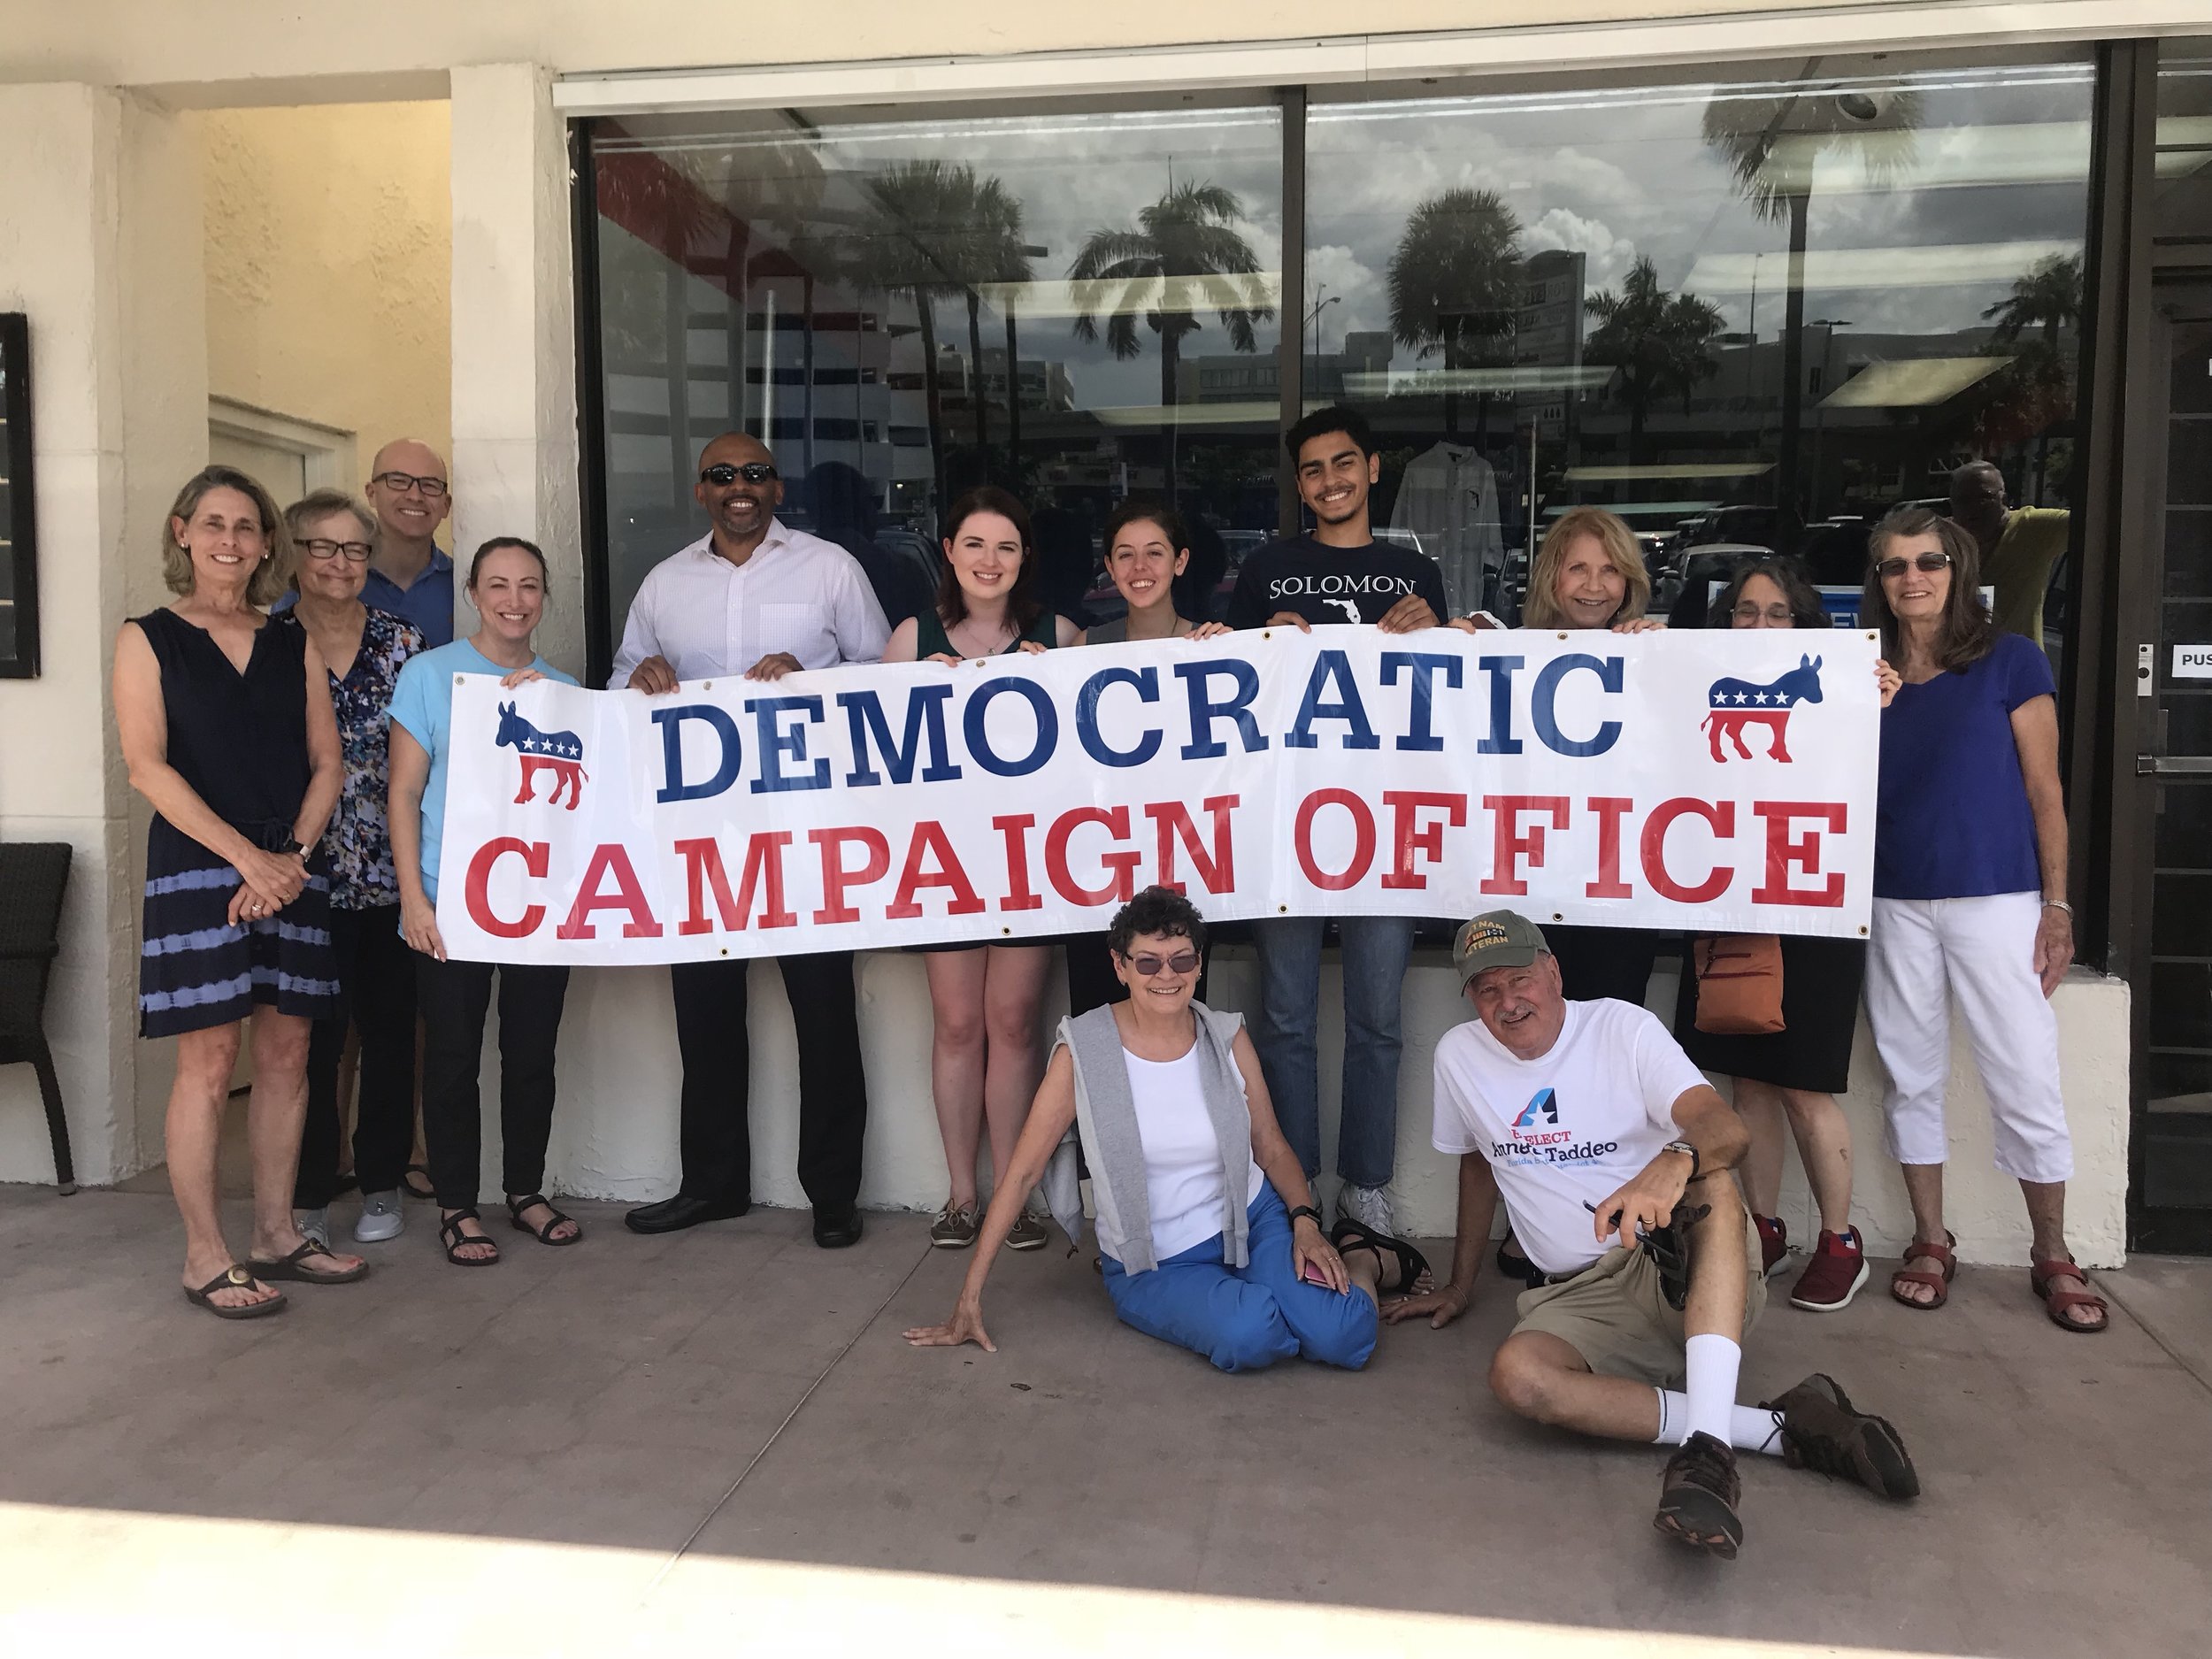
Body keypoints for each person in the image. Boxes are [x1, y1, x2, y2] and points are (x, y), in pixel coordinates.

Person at [1389, 911, 1919, 1559]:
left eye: (1520, 980)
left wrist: (1676, 1160)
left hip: (1678, 1266)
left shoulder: (1620, 1027)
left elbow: (1725, 1128)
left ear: (1553, 971)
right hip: (1576, 1297)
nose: (1508, 1002)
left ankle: (1704, 1464)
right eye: (1487, 990)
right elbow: (1477, 1162)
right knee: (1518, 1377)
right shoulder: (1459, 1055)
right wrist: (1461, 1282)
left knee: (1714, 1180)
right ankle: (1778, 1428)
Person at [904, 887, 1427, 1371]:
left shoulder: (1225, 1036)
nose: (1166, 975)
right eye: (1148, 961)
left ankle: (1362, 1261)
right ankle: (1278, 1297)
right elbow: (1021, 1173)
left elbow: (1268, 1145)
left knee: (1343, 1338)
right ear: (1120, 965)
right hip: (1153, 1261)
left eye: (1182, 959)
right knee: (1250, 1335)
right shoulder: (1083, 1051)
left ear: (1199, 964)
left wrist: (1306, 1222)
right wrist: (969, 1296)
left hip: (1251, 1222)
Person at [612, 432, 890, 1248]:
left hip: (808, 834)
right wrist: (640, 679)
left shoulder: (829, 568)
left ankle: (834, 1195)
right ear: (701, 490)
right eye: (723, 475)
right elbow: (623, 678)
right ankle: (713, 1183)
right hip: (701, 841)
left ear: (778, 488)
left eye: (757, 473)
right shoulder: (665, 583)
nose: (741, 486)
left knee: (825, 1016)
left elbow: (883, 677)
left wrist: (812, 680)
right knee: (703, 1017)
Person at [113, 465, 366, 1317]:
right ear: (183, 531)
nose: (231, 540)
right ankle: (203, 1255)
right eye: (214, 523)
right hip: (197, 868)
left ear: (267, 544)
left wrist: (290, 855)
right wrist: (246, 861)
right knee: (211, 1060)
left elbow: (328, 760)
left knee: (289, 1055)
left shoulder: (290, 638)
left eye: (247, 526)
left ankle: (275, 1235)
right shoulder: (147, 637)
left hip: (292, 863)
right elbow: (147, 765)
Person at [1859, 507, 2103, 1332]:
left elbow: (2047, 793)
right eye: (1895, 566)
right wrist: (1859, 708)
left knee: (2024, 1070)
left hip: (1997, 894)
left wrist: (2057, 902)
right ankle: (1932, 1238)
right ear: (1880, 581)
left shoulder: (2010, 659)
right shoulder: (1861, 669)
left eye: (1929, 561)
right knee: (1909, 1072)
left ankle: (2052, 1249)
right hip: (1891, 896)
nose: (1913, 577)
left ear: (1958, 569)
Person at [1225, 404, 1448, 1236]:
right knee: (1283, 1014)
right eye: (1313, 470)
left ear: (1373, 468)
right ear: (1299, 485)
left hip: (1384, 824)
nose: (1330, 481)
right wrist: (1257, 641)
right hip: (1287, 825)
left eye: (1343, 463)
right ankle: (1295, 1188)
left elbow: (1442, 698)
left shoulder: (1413, 572)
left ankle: (1366, 1185)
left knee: (1378, 1018)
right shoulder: (1266, 569)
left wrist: (1439, 633)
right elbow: (1228, 695)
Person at [1672, 557, 1900, 1311]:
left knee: (1804, 1085)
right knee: (1749, 1084)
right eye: (1745, 610)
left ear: (1805, 625)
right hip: (1733, 898)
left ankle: (1840, 1241)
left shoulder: (1850, 693)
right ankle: (1764, 1227)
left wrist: (1876, 704)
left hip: (1814, 906)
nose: (1759, 624)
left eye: (1777, 612)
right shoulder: (1699, 681)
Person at [884, 487, 1079, 1250]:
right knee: (959, 1023)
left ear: (1024, 556)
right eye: (974, 544)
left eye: (1005, 546)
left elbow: (1105, 759)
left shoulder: (1062, 636)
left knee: (1013, 1023)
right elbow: (875, 765)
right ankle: (963, 1194)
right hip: (946, 860)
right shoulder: (910, 638)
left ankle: (1017, 1197)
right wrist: (913, 693)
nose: (989, 561)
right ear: (950, 552)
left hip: (1032, 859)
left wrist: (1054, 688)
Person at [388, 537, 581, 1266]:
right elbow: (403, 792)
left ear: (543, 596)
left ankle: (525, 1191)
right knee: (451, 1057)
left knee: (532, 1052)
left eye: (529, 584)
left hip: (535, 907)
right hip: (448, 901)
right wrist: (414, 898)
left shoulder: (560, 689)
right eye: (498, 583)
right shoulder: (431, 675)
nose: (514, 599)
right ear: (472, 592)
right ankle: (458, 1204)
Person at [282, 489, 424, 1249]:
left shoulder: (406, 643)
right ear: (294, 554)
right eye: (324, 547)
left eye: (356, 550)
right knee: (309, 1043)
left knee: (391, 1033)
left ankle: (380, 1183)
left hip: (391, 874)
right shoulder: (267, 641)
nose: (342, 564)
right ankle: (305, 1191)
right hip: (301, 878)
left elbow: (439, 750)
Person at [1066, 497, 1230, 1019]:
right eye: (1126, 555)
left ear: (1180, 561)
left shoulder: (1215, 648)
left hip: (1186, 865)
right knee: (1098, 1013)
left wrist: (1238, 659)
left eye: (1154, 553)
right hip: (1100, 866)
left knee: (1176, 1010)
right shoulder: (1083, 648)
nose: (1140, 569)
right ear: (1109, 566)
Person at [1947, 460, 2069, 645]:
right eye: (1963, 501)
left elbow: (2096, 519)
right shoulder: (1942, 539)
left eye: (1983, 498)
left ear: (2003, 499)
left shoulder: (2032, 528)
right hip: (1960, 663)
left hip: (2020, 667)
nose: (1973, 508)